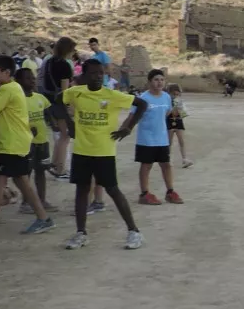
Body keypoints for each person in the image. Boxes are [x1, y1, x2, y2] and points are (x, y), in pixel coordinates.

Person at [61, 59, 148, 250]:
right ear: (83, 76)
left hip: (104, 151)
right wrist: (69, 123)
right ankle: (81, 233)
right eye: (93, 73)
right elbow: (56, 102)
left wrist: (128, 127)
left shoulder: (112, 95)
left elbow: (142, 105)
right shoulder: (76, 93)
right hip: (82, 150)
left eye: (101, 73)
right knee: (82, 190)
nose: (99, 76)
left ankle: (134, 231)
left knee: (113, 190)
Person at [0, 56, 55, 241]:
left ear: (6, 73)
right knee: (20, 181)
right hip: (16, 142)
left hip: (11, 144)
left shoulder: (7, 89)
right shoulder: (11, 87)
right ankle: (43, 218)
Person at [135, 69, 181, 205]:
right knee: (146, 165)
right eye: (156, 80)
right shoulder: (143, 98)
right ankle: (144, 194)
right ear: (149, 82)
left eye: (162, 80)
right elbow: (134, 116)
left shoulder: (166, 97)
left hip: (161, 138)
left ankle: (170, 192)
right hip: (146, 138)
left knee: (166, 164)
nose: (159, 82)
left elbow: (166, 113)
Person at [15, 67, 54, 215]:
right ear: (18, 81)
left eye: (33, 78)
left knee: (41, 171)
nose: (32, 81)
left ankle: (42, 200)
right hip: (26, 143)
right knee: (27, 173)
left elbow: (48, 113)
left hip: (42, 141)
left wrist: (55, 124)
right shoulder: (18, 100)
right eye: (28, 78)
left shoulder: (40, 98)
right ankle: (26, 202)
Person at [43, 38, 77, 179]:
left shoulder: (50, 62)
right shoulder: (64, 65)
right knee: (65, 136)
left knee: (60, 136)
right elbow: (65, 91)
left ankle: (55, 164)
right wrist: (70, 107)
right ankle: (60, 169)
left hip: (49, 101)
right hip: (59, 103)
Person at [167, 84, 192, 168]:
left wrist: (180, 109)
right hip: (169, 122)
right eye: (174, 94)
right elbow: (167, 113)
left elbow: (182, 114)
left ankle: (184, 159)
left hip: (178, 121)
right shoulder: (166, 101)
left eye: (177, 94)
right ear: (169, 93)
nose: (176, 96)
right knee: (169, 142)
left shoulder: (180, 101)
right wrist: (173, 108)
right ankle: (168, 159)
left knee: (181, 141)